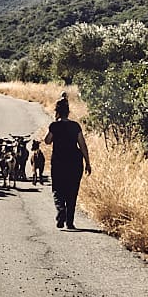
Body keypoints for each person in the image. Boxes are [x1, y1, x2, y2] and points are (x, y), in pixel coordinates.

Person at [43, 93, 91, 230]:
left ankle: (60, 211)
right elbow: (82, 145)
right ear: (68, 112)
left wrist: (54, 122)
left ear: (57, 112)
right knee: (72, 191)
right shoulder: (75, 126)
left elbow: (47, 141)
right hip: (75, 162)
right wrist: (87, 162)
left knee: (58, 189)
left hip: (59, 162)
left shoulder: (54, 126)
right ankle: (69, 222)